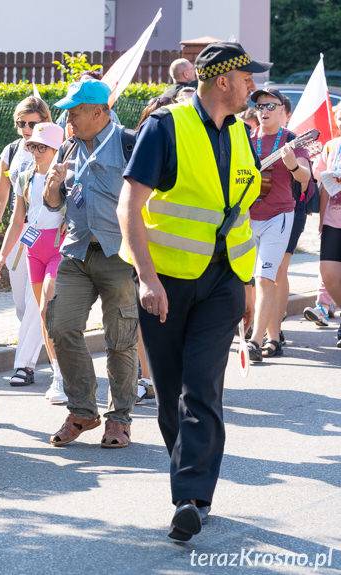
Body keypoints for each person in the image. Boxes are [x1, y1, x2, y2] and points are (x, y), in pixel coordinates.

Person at [118, 41, 269, 541]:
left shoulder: (244, 135)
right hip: (167, 283)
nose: (254, 86)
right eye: (248, 77)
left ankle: (190, 498)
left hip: (223, 282)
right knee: (169, 397)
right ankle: (191, 478)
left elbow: (238, 215)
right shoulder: (165, 127)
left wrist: (247, 286)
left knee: (201, 388)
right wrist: (146, 277)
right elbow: (129, 206)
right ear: (223, 80)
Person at [44, 79, 138, 449]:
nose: (69, 117)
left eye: (76, 111)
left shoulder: (129, 144)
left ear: (100, 112)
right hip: (77, 252)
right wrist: (52, 187)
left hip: (118, 255)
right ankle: (82, 410)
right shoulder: (67, 146)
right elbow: (54, 204)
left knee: (120, 340)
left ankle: (119, 419)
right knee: (62, 327)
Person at [0, 122, 66, 399]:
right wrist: (2, 254)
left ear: (57, 149)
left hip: (59, 249)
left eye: (42, 147)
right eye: (33, 146)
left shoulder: (67, 177)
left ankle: (62, 376)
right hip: (34, 249)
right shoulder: (24, 177)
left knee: (48, 304)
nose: (36, 151)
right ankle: (59, 375)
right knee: (45, 316)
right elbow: (16, 219)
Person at [0, 96, 54, 391]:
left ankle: (23, 364)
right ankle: (40, 349)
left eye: (32, 124)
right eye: (21, 123)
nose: (26, 129)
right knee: (21, 305)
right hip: (19, 232)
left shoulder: (54, 148)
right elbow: (3, 196)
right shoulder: (11, 150)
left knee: (36, 300)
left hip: (46, 233)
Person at [245, 89, 311, 362]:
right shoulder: (247, 139)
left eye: (271, 105)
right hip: (247, 217)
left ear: (283, 110)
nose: (265, 110)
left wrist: (293, 165)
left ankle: (256, 341)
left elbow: (306, 179)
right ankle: (259, 333)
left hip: (279, 217)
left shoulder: (292, 140)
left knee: (265, 278)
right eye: (260, 105)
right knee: (246, 280)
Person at [312, 106, 341, 348]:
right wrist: (321, 218)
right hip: (334, 219)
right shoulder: (331, 146)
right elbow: (324, 184)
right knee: (329, 273)